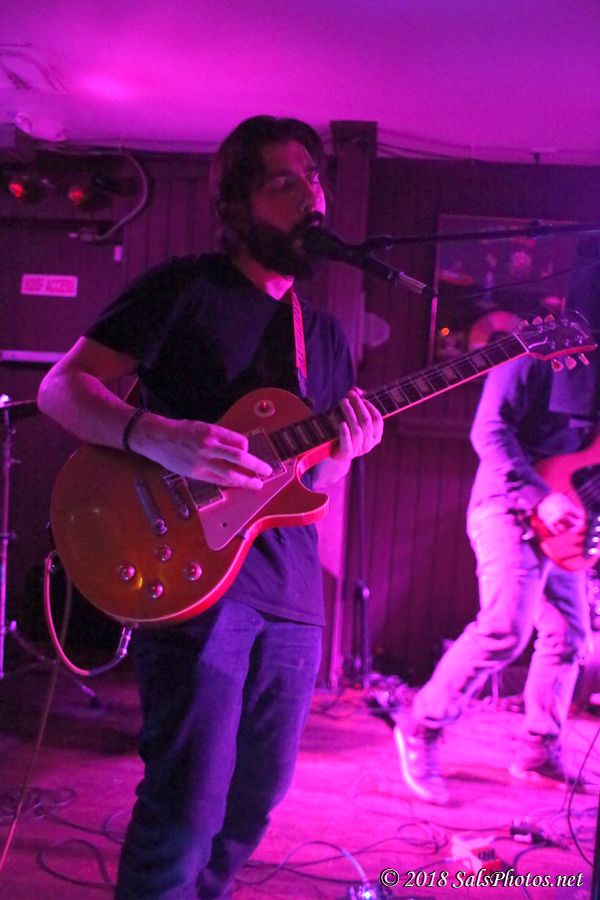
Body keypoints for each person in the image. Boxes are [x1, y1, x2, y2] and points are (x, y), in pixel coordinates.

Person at [38, 116, 383, 899]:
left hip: (290, 592)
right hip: (193, 579)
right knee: (187, 803)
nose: (311, 196)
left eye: (315, 178)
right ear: (238, 204)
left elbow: (315, 490)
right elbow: (61, 388)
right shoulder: (185, 289)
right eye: (284, 182)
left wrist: (346, 455)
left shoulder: (324, 337)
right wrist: (157, 436)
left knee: (257, 798)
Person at [395, 306, 598, 805]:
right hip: (507, 504)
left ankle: (538, 749)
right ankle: (420, 725)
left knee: (570, 635)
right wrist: (540, 497)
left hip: (566, 515)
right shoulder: (537, 350)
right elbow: (488, 431)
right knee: (506, 628)